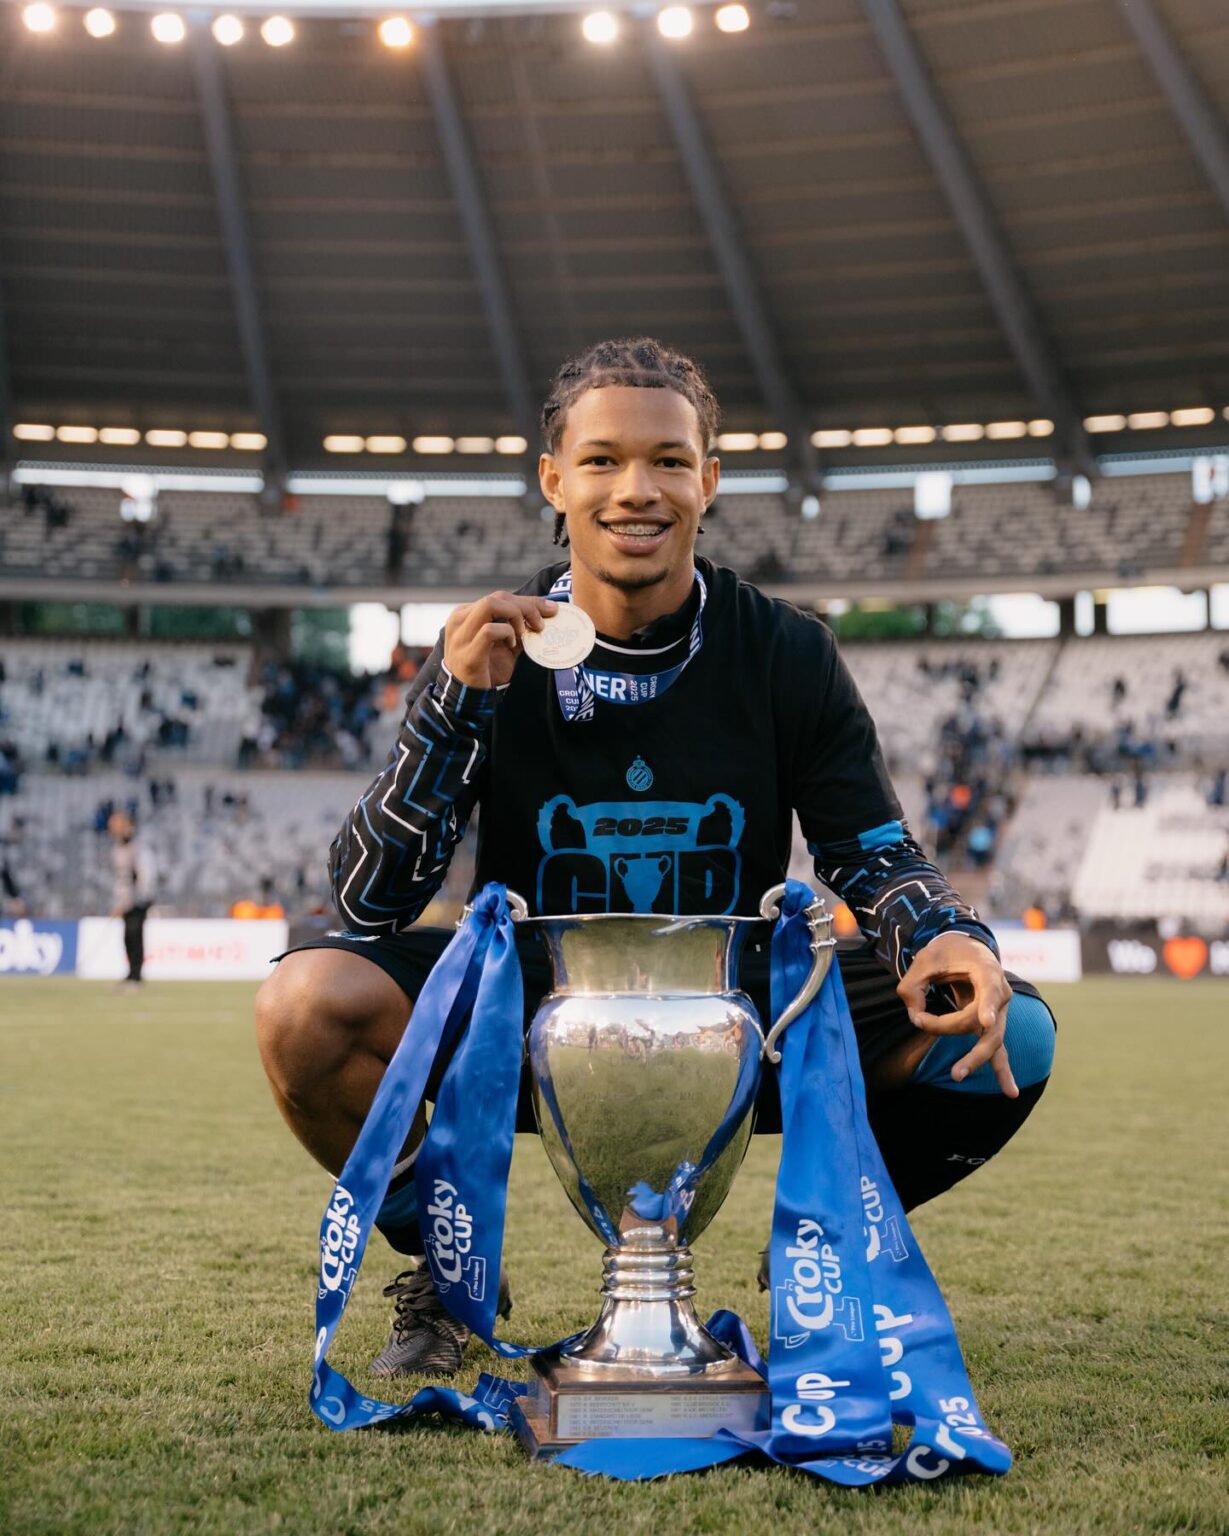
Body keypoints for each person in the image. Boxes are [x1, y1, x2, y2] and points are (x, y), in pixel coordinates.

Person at [255, 338, 1056, 1379]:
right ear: (553, 479)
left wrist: (943, 934)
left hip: (744, 1005)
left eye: (668, 461)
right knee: (303, 1007)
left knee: (1011, 1034)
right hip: (532, 1007)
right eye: (600, 460)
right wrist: (452, 707)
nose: (636, 490)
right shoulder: (487, 650)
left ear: (707, 480)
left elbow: (869, 849)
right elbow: (367, 901)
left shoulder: (783, 650)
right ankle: (450, 1271)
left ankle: (819, 1254)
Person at [108, 810, 157, 985]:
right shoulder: (117, 849)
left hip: (138, 900)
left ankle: (136, 975)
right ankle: (131, 974)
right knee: (128, 937)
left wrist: (134, 900)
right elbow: (120, 880)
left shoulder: (139, 847)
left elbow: (143, 876)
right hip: (126, 900)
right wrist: (118, 903)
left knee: (135, 934)